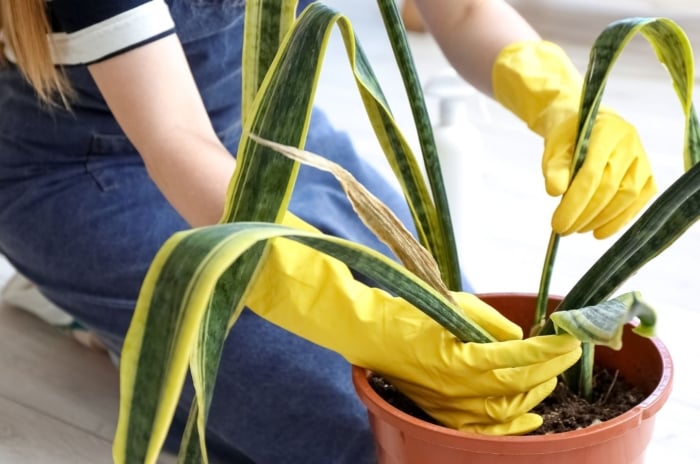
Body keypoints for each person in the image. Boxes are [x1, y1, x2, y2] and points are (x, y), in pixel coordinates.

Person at [0, 1, 654, 463]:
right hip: (89, 169)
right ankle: (104, 306)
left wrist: (564, 99)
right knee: (357, 427)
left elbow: (462, 11)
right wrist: (354, 316)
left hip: (270, 131)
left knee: (467, 367)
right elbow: (177, 140)